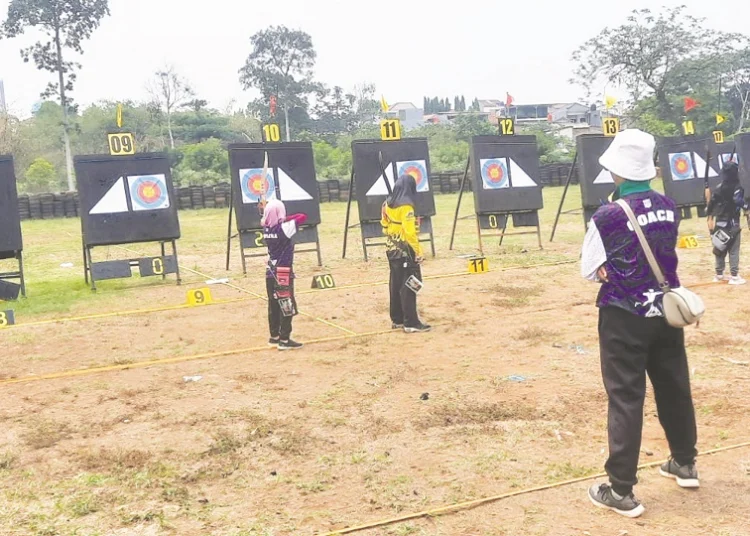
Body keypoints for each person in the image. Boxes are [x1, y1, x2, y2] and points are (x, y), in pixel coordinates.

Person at [580, 129, 699, 518]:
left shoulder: (608, 214)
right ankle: (684, 462)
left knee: (626, 397)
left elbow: (590, 268)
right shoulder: (669, 205)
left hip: (623, 316)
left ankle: (620, 490)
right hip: (667, 312)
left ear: (616, 171)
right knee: (674, 387)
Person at [381, 175, 431, 333]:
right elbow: (410, 233)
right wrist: (418, 251)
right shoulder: (407, 207)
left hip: (391, 249)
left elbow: (384, 227)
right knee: (410, 285)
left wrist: (394, 230)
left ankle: (397, 319)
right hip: (405, 251)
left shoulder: (386, 204)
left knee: (395, 284)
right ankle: (411, 322)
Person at [261, 199, 307, 350]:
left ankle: (274, 336)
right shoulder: (284, 228)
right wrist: (283, 218)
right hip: (283, 272)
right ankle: (285, 340)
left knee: (273, 304)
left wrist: (270, 216)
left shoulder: (266, 229)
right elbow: (302, 216)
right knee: (286, 305)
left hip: (270, 272)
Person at [707, 161, 747, 285]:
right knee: (733, 249)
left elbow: (711, 204)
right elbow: (737, 200)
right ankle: (734, 276)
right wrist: (747, 206)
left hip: (720, 221)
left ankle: (719, 274)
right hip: (732, 223)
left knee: (720, 246)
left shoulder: (719, 187)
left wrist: (710, 216)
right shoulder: (737, 187)